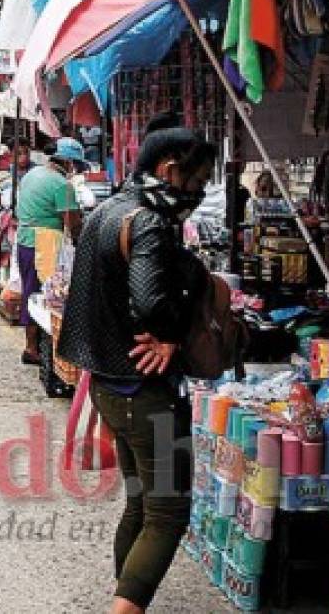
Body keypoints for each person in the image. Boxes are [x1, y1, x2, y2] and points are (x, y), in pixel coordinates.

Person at [57, 127, 217, 614]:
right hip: (146, 393)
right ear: (170, 170)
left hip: (110, 384)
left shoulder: (107, 209)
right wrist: (168, 333)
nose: (200, 190)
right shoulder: (148, 222)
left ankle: (124, 595)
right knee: (167, 512)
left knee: (141, 503)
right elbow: (149, 300)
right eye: (199, 179)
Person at [14, 138, 85, 366]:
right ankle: (34, 347)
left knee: (29, 291)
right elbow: (72, 222)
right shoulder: (61, 185)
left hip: (25, 240)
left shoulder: (31, 175)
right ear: (67, 162)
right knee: (48, 295)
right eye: (75, 164)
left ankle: (33, 345)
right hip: (44, 244)